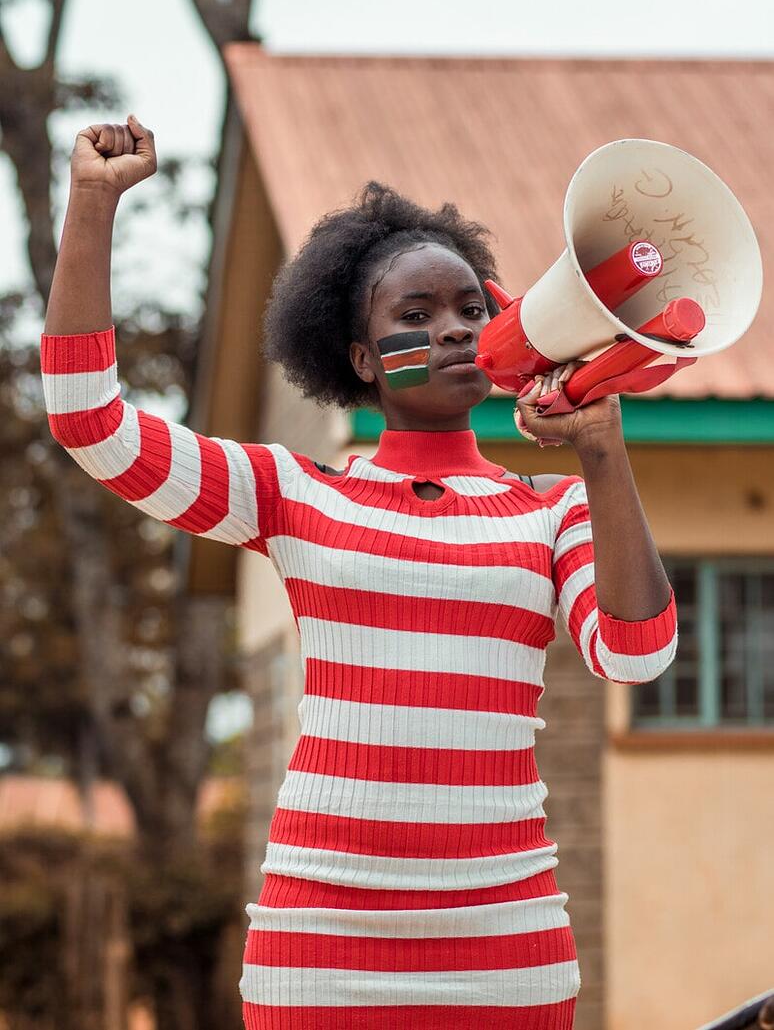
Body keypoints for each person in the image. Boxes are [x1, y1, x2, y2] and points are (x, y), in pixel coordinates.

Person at [41, 116, 678, 1030]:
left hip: (506, 950)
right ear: (361, 359)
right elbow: (85, 418)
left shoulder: (552, 508)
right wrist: (94, 203)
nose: (454, 330)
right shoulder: (294, 493)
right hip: (319, 950)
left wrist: (603, 456)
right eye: (413, 318)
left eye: (471, 309)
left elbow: (637, 653)